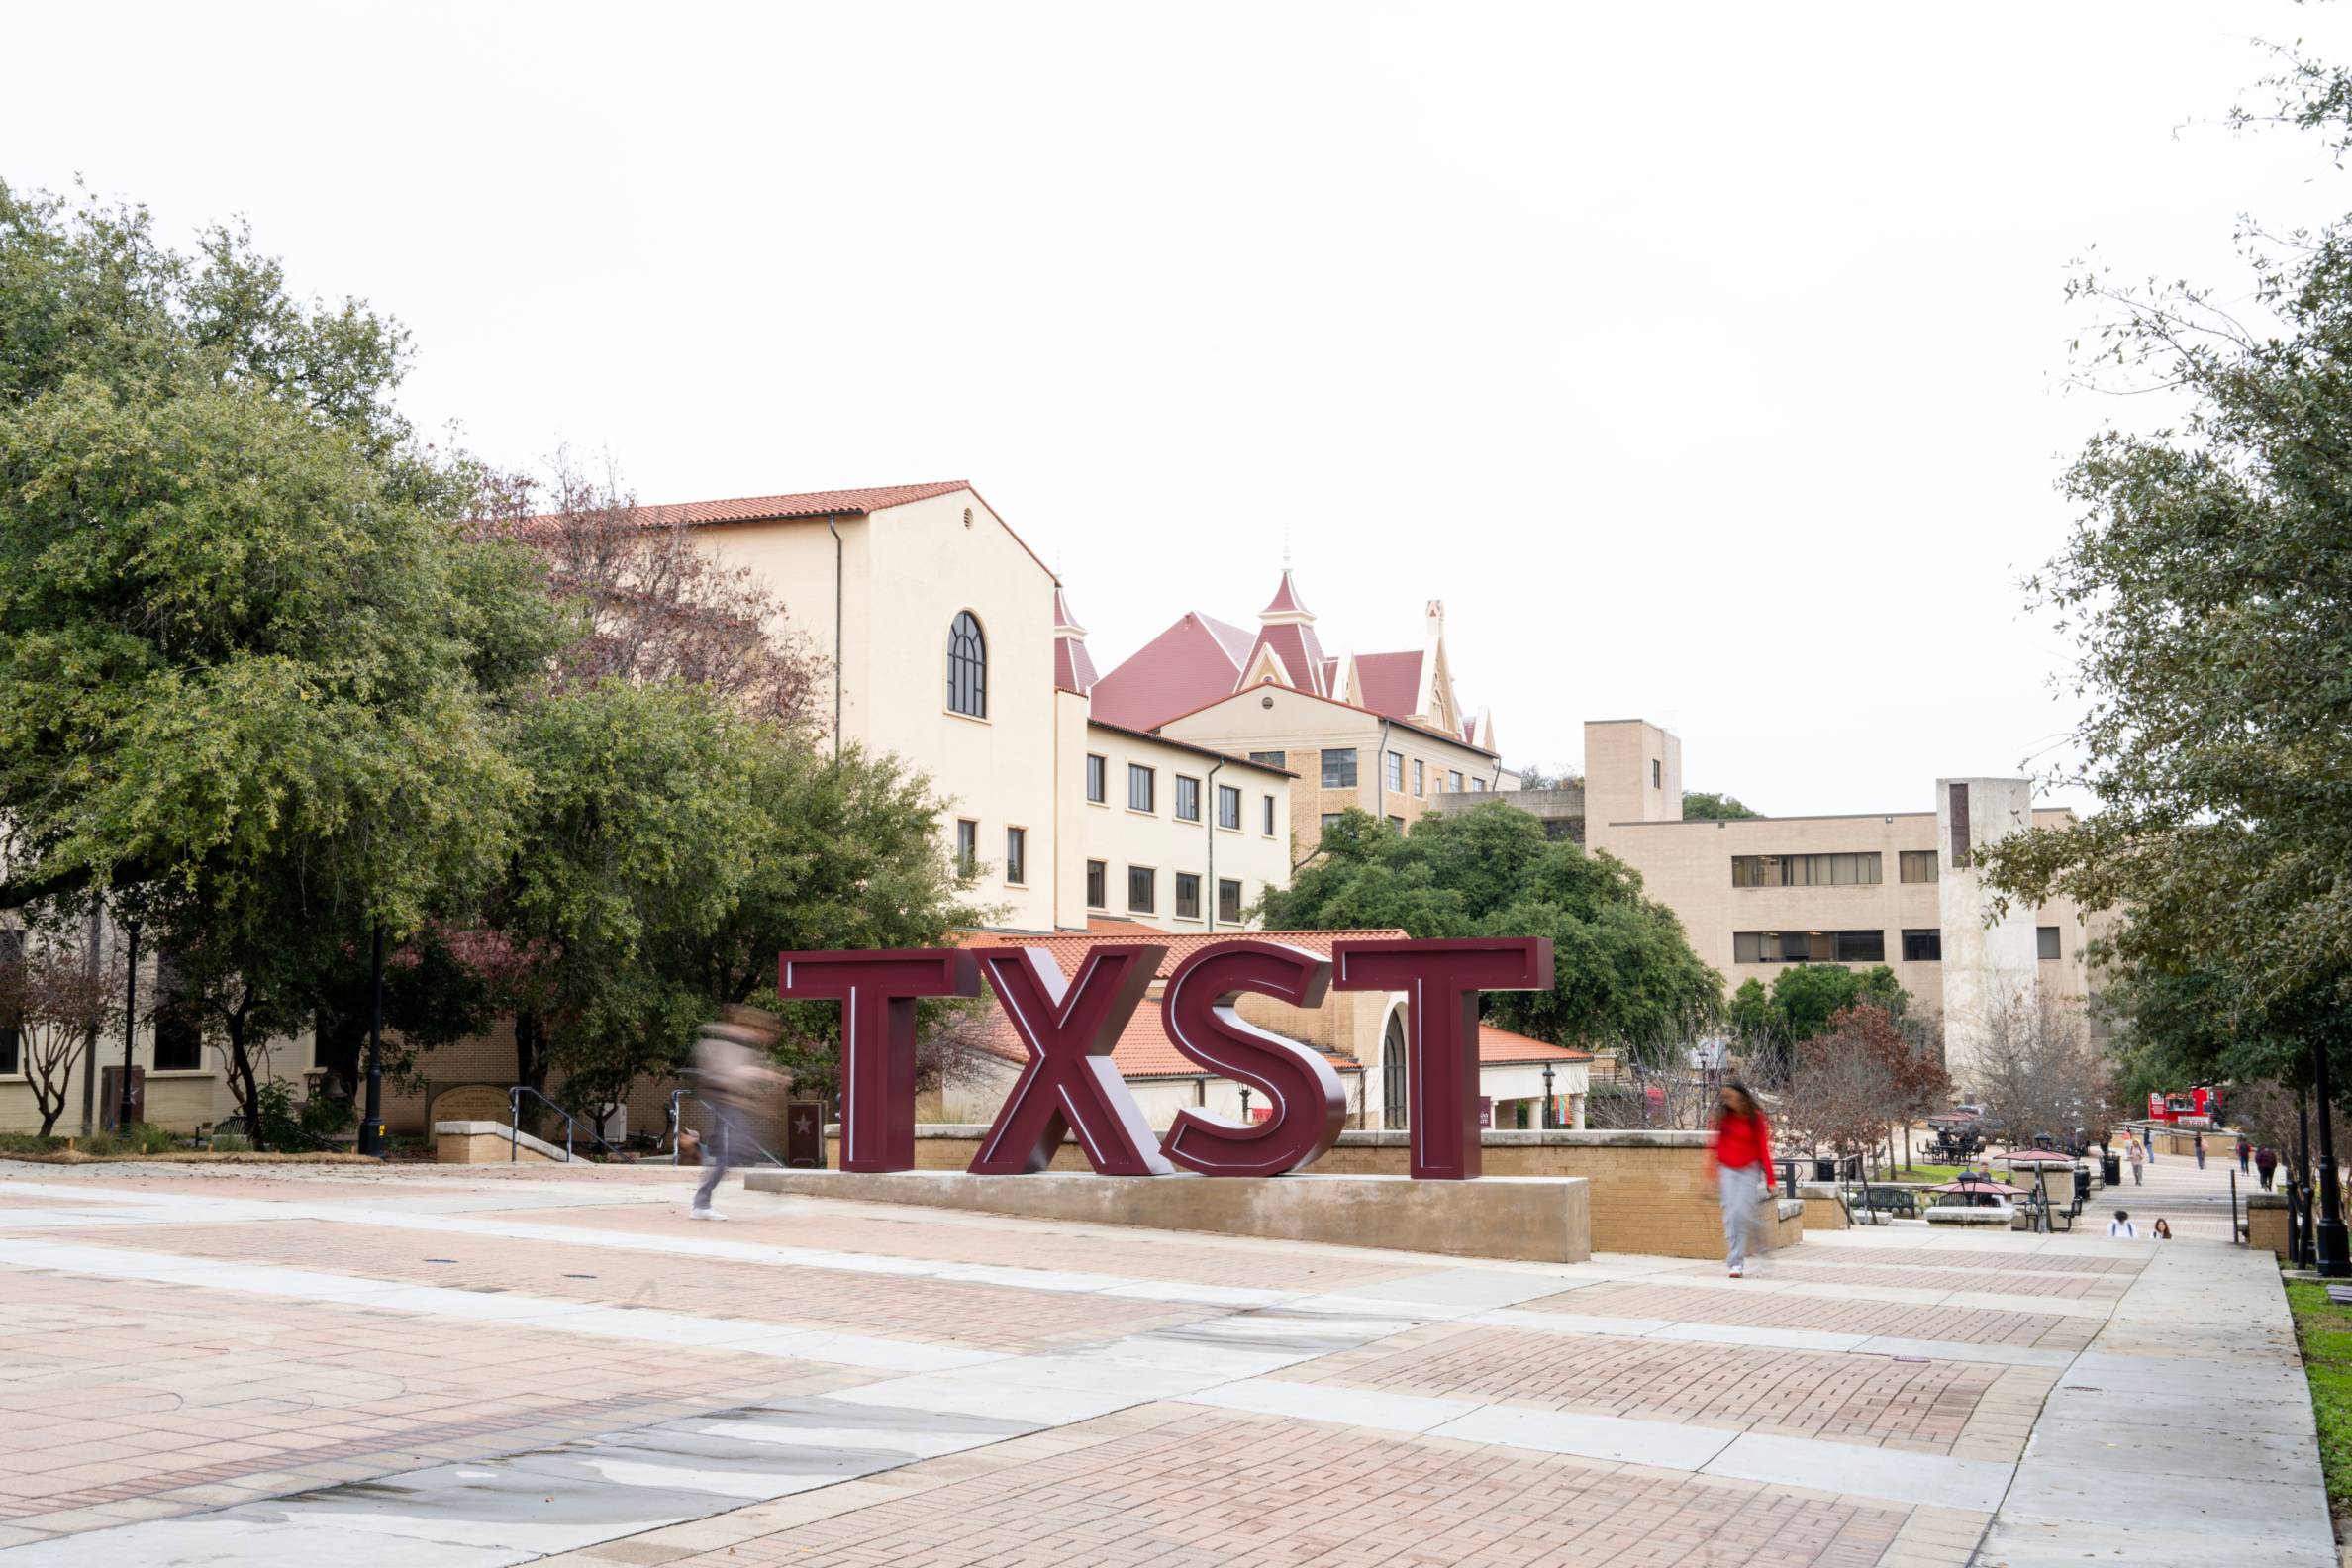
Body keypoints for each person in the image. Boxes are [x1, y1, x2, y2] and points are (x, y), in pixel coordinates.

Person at [685, 1004, 792, 1221]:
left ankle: (774, 1201)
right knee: (728, 1155)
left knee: (742, 1152)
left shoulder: (742, 1045)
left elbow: (739, 1078)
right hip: (721, 1102)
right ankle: (700, 1204)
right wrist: (771, 1076)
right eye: (766, 1033)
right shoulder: (727, 1043)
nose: (767, 1038)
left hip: (731, 1104)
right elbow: (734, 1073)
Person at [1711, 1082, 1776, 1278]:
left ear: (1742, 1097)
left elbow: (1764, 1149)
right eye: (1725, 1098)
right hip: (1727, 1169)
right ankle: (1736, 1263)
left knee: (1744, 1213)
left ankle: (1762, 1246)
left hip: (1749, 1169)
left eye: (1732, 1097)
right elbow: (1713, 1147)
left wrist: (1770, 1179)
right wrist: (1710, 1176)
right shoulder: (1723, 1119)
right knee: (1731, 1215)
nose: (1728, 1101)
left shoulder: (1755, 1119)